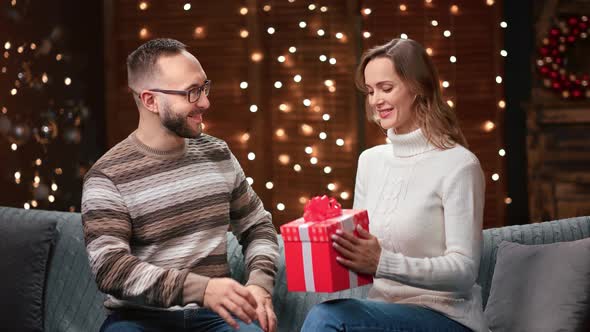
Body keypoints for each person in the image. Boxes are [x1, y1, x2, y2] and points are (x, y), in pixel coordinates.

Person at [82, 38, 279, 332]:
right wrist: (202, 289)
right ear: (150, 100)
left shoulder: (218, 153)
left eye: (203, 88)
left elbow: (257, 226)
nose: (205, 102)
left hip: (215, 317)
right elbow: (111, 269)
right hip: (139, 320)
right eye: (191, 93)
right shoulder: (107, 175)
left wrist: (259, 284)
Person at [301, 38, 488, 332]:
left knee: (328, 318)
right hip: (382, 315)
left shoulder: (459, 165)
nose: (376, 100)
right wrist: (320, 244)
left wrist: (382, 262)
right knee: (325, 313)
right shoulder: (370, 161)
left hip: (445, 317)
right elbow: (361, 250)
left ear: (418, 88)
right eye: (371, 90)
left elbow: (464, 271)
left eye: (386, 88)